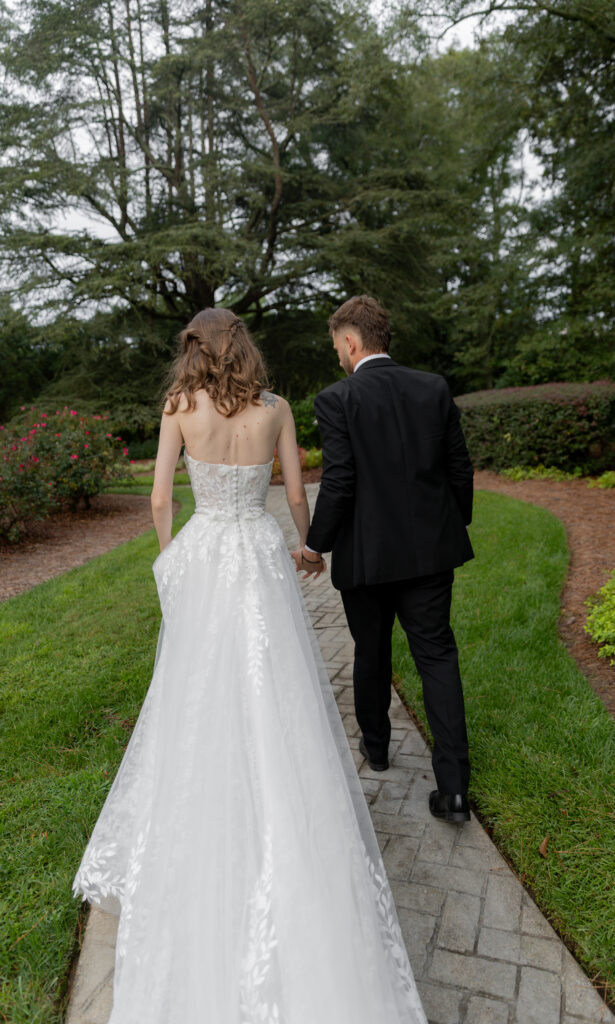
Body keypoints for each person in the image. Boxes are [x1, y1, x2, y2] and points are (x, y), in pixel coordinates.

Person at [71, 308, 427, 1024]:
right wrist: (308, 547)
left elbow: (160, 497)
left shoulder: (179, 406)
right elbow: (296, 492)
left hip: (206, 551)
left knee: (196, 687)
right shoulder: (276, 409)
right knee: (275, 682)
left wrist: (170, 558)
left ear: (195, 350)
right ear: (244, 348)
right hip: (260, 552)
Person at [293, 295, 474, 824]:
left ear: (351, 342)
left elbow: (339, 481)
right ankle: (454, 790)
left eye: (337, 347)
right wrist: (450, 524)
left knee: (371, 653)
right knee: (437, 656)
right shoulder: (433, 387)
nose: (337, 357)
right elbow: (459, 468)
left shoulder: (337, 399)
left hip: (367, 560)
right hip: (430, 554)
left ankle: (376, 750)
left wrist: (313, 546)